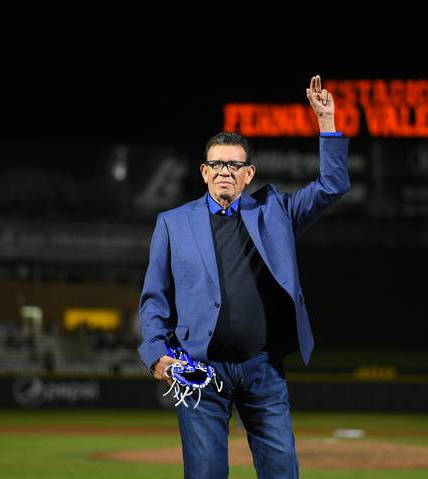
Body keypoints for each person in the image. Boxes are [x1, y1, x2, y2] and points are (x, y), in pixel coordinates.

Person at [137, 75, 350, 478]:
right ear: (203, 171)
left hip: (262, 370)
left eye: (234, 165)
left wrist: (326, 123)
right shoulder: (172, 223)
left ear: (248, 174)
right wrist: (155, 353)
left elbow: (332, 185)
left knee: (282, 472)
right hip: (198, 370)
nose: (224, 171)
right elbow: (154, 300)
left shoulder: (276, 212)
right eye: (216, 164)